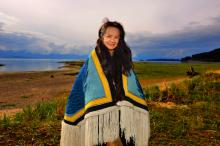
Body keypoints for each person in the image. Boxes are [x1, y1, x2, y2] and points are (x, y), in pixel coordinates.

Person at [60, 19, 150, 146]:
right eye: (109, 36)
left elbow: (132, 81)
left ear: (120, 39)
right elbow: (84, 83)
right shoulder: (93, 58)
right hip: (100, 109)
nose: (112, 40)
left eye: (116, 37)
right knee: (100, 139)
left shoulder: (124, 56)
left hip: (122, 105)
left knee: (127, 138)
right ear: (101, 37)